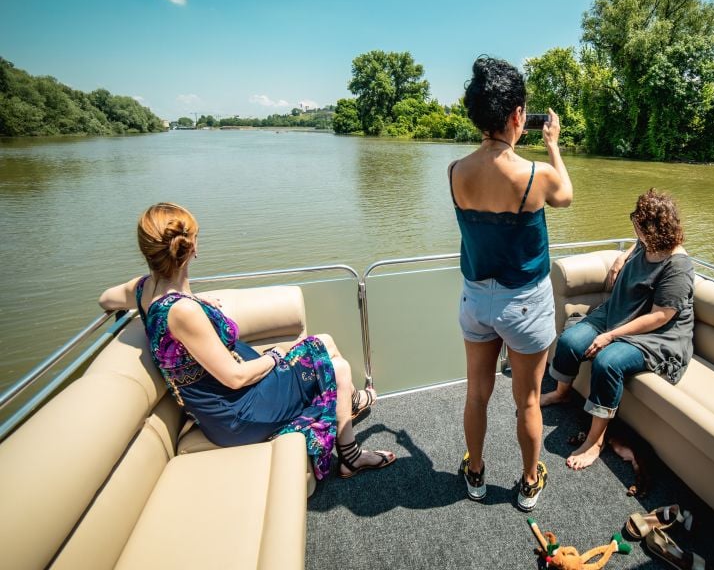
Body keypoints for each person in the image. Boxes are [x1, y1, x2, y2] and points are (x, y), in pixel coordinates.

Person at [98, 202, 395, 481]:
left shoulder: (143, 290)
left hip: (225, 400)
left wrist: (189, 300)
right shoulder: (182, 312)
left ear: (148, 252)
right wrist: (276, 355)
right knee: (338, 368)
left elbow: (106, 299)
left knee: (325, 343)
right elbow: (235, 377)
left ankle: (349, 401)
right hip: (237, 416)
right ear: (192, 248)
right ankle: (350, 458)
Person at [449, 56, 573, 511]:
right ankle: (527, 483)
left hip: (476, 299)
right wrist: (553, 144)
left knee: (477, 393)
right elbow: (566, 195)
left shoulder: (455, 171)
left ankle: (476, 472)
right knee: (528, 402)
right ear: (518, 114)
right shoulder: (534, 175)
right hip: (525, 303)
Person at [541, 189, 694, 470]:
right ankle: (563, 392)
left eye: (638, 225)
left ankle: (595, 440)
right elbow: (636, 246)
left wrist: (611, 336)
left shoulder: (678, 266)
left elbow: (661, 316)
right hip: (617, 313)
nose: (635, 228)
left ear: (656, 229)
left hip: (656, 336)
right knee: (571, 340)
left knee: (607, 361)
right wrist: (622, 258)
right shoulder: (646, 241)